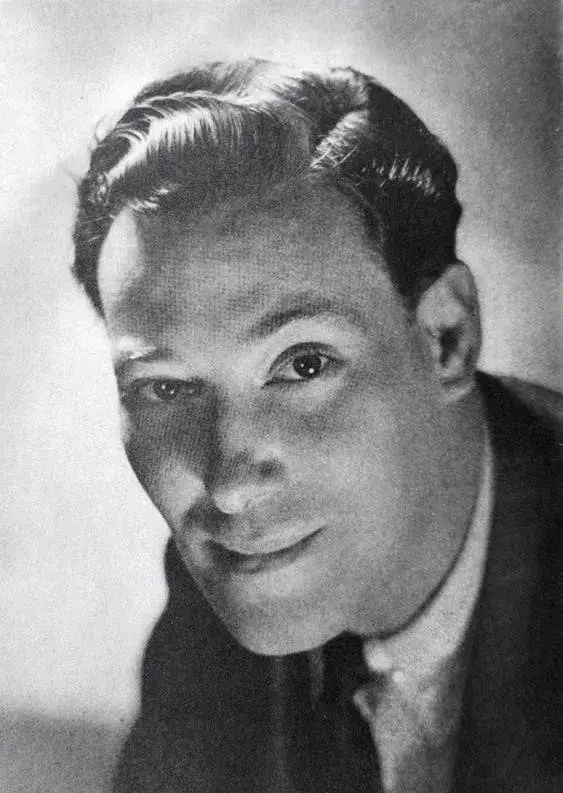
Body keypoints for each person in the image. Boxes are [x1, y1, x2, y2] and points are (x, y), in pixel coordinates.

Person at [72, 60, 562, 792]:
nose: (230, 486)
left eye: (303, 364)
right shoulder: (232, 595)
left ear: (446, 338)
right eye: (165, 387)